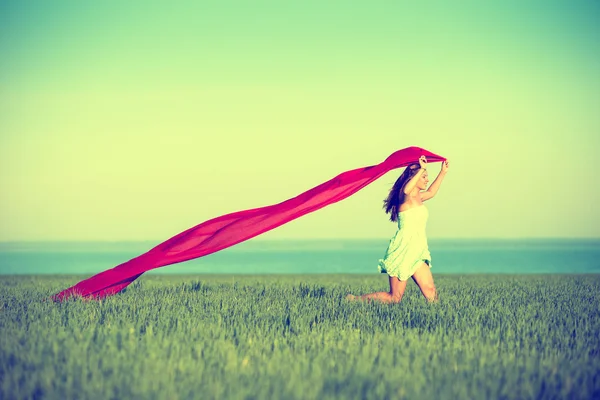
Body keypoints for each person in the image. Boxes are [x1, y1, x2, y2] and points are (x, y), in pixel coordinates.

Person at [346, 155, 449, 303]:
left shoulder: (419, 198)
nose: (426, 179)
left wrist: (443, 172)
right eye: (424, 176)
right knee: (394, 298)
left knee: (431, 291)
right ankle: (354, 300)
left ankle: (440, 319)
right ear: (415, 177)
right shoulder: (404, 198)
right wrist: (422, 169)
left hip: (418, 250)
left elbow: (432, 192)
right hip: (403, 249)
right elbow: (407, 190)